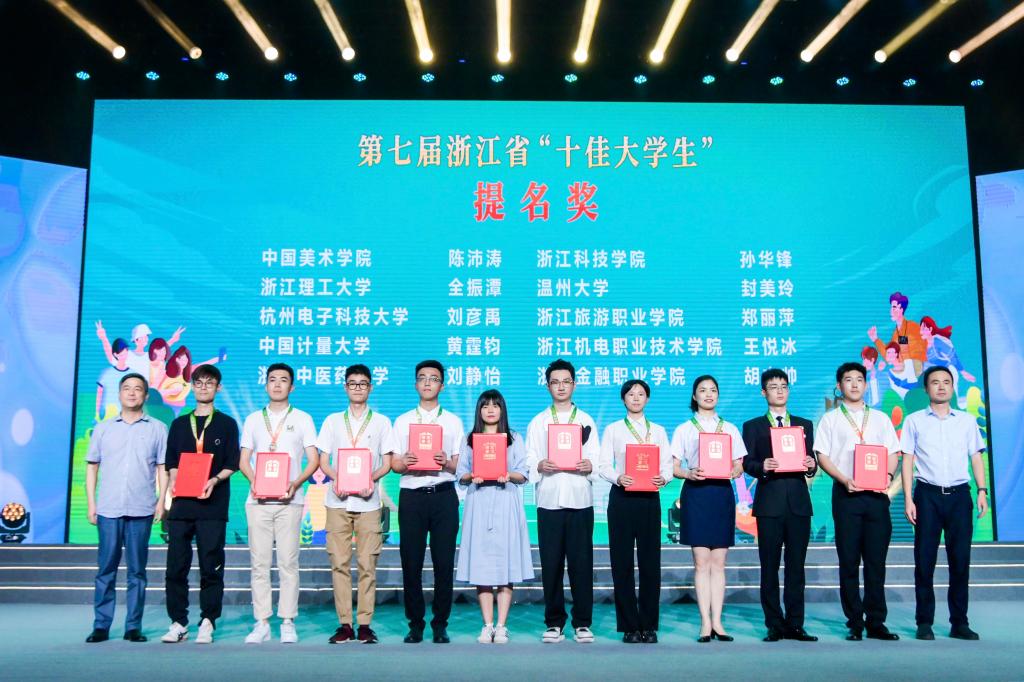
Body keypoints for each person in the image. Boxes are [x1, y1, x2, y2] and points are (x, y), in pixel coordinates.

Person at [814, 361, 901, 641]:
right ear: (839, 386)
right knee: (849, 561)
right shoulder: (830, 419)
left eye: (859, 379)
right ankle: (855, 621)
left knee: (876, 562)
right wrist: (843, 479)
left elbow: (893, 452)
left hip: (876, 497)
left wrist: (887, 475)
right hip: (847, 495)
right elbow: (822, 455)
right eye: (848, 379)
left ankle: (876, 622)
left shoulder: (880, 418)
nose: (854, 384)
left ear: (865, 384)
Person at [901, 366, 989, 641]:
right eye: (935, 382)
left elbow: (976, 456)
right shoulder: (914, 421)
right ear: (926, 388)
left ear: (953, 387)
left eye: (946, 382)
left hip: (960, 496)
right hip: (927, 495)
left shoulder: (966, 421)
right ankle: (924, 622)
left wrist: (982, 490)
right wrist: (908, 498)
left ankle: (959, 622)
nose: (941, 386)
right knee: (924, 561)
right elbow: (907, 460)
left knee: (960, 561)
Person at [238, 363, 320, 644]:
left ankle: (287, 621)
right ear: (265, 385)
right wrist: (255, 482)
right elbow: (243, 460)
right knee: (259, 564)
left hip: (290, 500)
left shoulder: (303, 419)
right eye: (272, 379)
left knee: (288, 562)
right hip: (258, 502)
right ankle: (261, 622)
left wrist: (295, 483)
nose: (277, 384)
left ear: (292, 387)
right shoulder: (253, 419)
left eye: (283, 380)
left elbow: (314, 460)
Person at [84, 373, 169, 643]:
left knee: (137, 571)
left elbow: (162, 468)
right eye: (127, 388)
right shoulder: (104, 428)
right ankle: (101, 625)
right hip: (108, 509)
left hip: (141, 508)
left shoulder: (158, 428)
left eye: (138, 389)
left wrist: (161, 501)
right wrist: (91, 503)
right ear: (119, 394)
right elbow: (92, 467)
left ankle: (133, 626)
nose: (132, 393)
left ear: (146, 395)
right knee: (105, 569)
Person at [161, 364, 240, 644]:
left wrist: (214, 480)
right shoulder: (179, 424)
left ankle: (208, 620)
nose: (203, 387)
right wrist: (174, 478)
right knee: (176, 567)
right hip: (181, 505)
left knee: (211, 565)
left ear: (218, 387)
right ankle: (178, 622)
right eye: (198, 382)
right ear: (192, 387)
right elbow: (171, 461)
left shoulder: (227, 424)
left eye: (209, 383)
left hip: (212, 505)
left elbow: (232, 462)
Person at [316, 364, 395, 644]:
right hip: (337, 501)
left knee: (367, 564)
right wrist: (336, 478)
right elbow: (323, 460)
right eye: (353, 383)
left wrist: (370, 479)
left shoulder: (381, 422)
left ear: (370, 387)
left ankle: (364, 624)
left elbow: (387, 462)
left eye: (363, 383)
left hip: (368, 502)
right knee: (339, 563)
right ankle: (344, 624)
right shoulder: (332, 421)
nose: (358, 388)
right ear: (345, 387)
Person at [390, 360, 466, 644]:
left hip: (444, 496)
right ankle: (415, 624)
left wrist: (446, 462)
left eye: (433, 378)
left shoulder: (453, 421)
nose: (427, 383)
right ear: (415, 384)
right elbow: (394, 464)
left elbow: (460, 465)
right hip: (412, 496)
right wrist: (404, 462)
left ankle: (440, 624)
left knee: (443, 563)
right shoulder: (403, 421)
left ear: (442, 386)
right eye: (422, 378)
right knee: (411, 562)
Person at [741, 368, 818, 643]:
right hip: (769, 504)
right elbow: (746, 462)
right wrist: (762, 466)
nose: (780, 391)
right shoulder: (753, 426)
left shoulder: (804, 425)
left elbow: (810, 462)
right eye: (773, 387)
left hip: (798, 504)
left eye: (784, 386)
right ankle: (774, 623)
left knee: (796, 567)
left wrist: (811, 465)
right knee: (769, 566)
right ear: (764, 392)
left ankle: (796, 624)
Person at [526, 358, 599, 644]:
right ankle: (554, 622)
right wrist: (539, 465)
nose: (560, 387)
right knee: (551, 564)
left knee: (582, 564)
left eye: (566, 381)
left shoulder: (586, 420)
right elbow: (530, 458)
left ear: (574, 385)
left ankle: (582, 622)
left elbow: (597, 459)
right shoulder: (539, 421)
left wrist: (589, 465)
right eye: (555, 382)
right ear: (547, 386)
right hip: (549, 500)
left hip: (580, 499)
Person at [671, 375, 747, 643]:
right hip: (697, 494)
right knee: (701, 562)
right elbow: (674, 467)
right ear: (694, 396)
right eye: (702, 390)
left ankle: (718, 622)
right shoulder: (684, 429)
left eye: (713, 390)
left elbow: (740, 464)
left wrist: (735, 470)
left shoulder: (730, 428)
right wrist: (688, 473)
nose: (708, 394)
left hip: (721, 494)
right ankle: (705, 622)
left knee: (719, 563)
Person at [598, 379, 672, 644]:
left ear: (647, 399)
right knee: (622, 563)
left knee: (650, 563)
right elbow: (603, 465)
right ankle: (629, 626)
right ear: (623, 399)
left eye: (641, 394)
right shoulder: (613, 429)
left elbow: (667, 465)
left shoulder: (658, 431)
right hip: (622, 498)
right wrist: (618, 477)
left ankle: (649, 626)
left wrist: (664, 478)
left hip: (649, 498)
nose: (636, 398)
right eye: (631, 394)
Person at [456, 390, 533, 644]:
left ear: (502, 409)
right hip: (479, 502)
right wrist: (471, 476)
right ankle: (487, 624)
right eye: (485, 406)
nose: (490, 410)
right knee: (482, 564)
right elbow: (461, 473)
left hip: (505, 501)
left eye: (495, 405)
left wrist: (509, 474)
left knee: (505, 562)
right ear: (479, 410)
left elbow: (523, 472)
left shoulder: (514, 438)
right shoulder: (470, 439)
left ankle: (501, 625)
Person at [868, 291, 925, 374]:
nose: (891, 311)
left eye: (894, 307)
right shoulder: (895, 334)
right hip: (904, 370)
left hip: (916, 368)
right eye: (891, 308)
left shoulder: (913, 327)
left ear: (901, 309)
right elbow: (889, 356)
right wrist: (875, 339)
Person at [96, 338, 131, 421]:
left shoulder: (133, 374)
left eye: (126, 351)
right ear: (115, 354)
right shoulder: (106, 373)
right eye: (122, 352)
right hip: (107, 417)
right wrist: (97, 413)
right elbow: (99, 392)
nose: (124, 354)